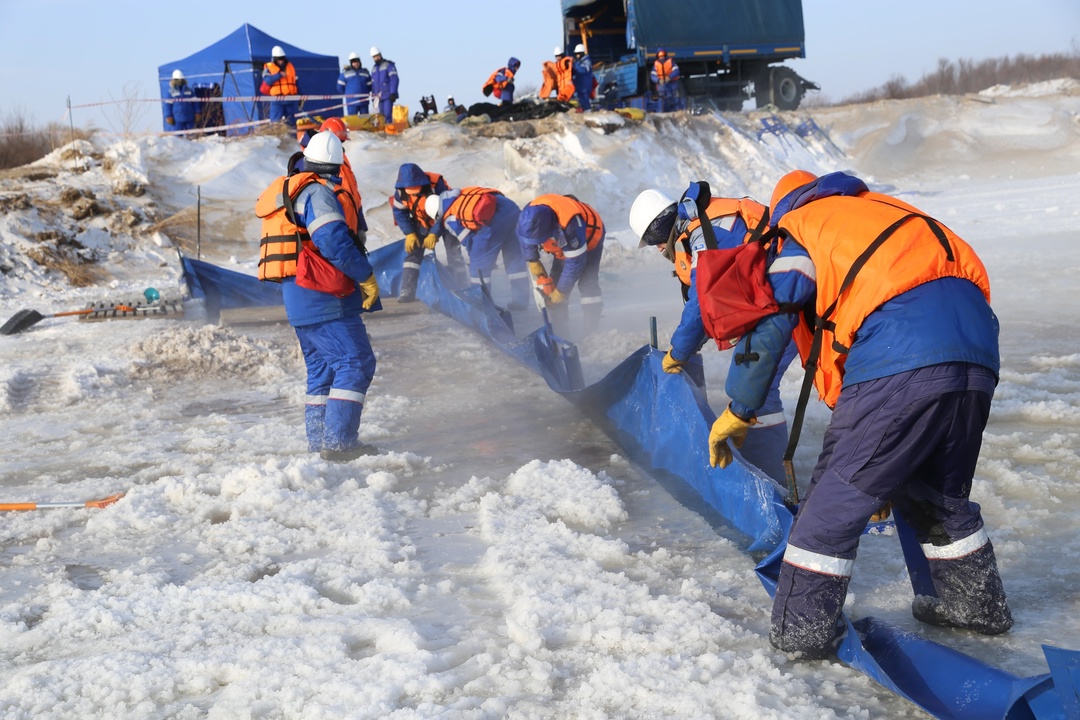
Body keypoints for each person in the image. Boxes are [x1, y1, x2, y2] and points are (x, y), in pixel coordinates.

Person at [705, 169, 1012, 659]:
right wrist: (887, 467)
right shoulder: (879, 213)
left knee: (828, 510)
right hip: (976, 353)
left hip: (901, 352)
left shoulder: (800, 228)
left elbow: (776, 316)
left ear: (784, 206)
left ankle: (801, 635)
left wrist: (741, 407)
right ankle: (975, 609)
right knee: (938, 494)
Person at [628, 186, 795, 482]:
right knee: (751, 383)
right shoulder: (700, 221)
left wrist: (680, 351)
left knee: (758, 389)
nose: (656, 248)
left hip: (791, 297)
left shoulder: (702, 233)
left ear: (658, 227)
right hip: (782, 292)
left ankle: (770, 480)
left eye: (652, 240)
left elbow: (702, 300)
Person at [256, 131, 380, 461]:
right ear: (337, 166)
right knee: (355, 363)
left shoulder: (291, 190)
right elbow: (333, 241)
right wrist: (365, 276)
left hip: (298, 296)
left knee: (323, 372)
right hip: (325, 295)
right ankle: (339, 445)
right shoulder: (318, 193)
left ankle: (319, 445)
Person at [422, 188, 531, 310]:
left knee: (478, 268)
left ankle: (482, 306)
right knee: (514, 259)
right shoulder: (458, 195)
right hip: (512, 211)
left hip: (493, 223)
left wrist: (478, 257)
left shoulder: (450, 217)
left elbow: (468, 239)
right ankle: (521, 301)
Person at [516, 194, 605, 335]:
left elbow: (575, 264)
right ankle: (560, 330)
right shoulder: (528, 215)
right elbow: (525, 238)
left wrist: (561, 293)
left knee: (587, 282)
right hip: (563, 237)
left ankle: (591, 331)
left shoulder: (569, 227)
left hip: (591, 237)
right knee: (554, 282)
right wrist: (533, 260)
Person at [388, 163, 466, 303]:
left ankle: (462, 286)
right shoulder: (400, 193)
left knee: (453, 252)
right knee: (412, 252)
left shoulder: (437, 185)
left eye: (417, 189)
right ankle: (407, 290)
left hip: (446, 218)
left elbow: (445, 211)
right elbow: (400, 213)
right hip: (423, 221)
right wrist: (410, 233)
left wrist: (434, 233)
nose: (415, 193)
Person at [262, 46, 301, 126]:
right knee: (275, 123)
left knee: (291, 124)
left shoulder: (290, 67)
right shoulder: (269, 67)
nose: (281, 61)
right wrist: (278, 75)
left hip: (290, 99)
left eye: (282, 58)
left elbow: (296, 81)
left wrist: (301, 95)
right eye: (278, 59)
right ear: (274, 59)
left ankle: (292, 138)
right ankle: (275, 138)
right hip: (277, 100)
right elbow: (267, 80)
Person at [368, 46, 399, 120]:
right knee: (381, 116)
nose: (376, 58)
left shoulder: (388, 65)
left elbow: (394, 79)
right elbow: (373, 84)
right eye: (374, 57)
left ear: (380, 54)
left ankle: (389, 130)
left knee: (387, 114)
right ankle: (384, 130)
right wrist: (373, 97)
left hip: (388, 95)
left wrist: (393, 93)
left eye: (377, 55)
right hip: (378, 97)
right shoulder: (374, 68)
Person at [571, 43, 595, 112]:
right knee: (580, 99)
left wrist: (575, 64)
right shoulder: (579, 62)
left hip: (585, 85)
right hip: (580, 85)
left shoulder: (587, 61)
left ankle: (588, 111)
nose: (577, 55)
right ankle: (584, 110)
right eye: (576, 53)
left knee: (584, 99)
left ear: (582, 53)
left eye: (578, 53)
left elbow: (583, 70)